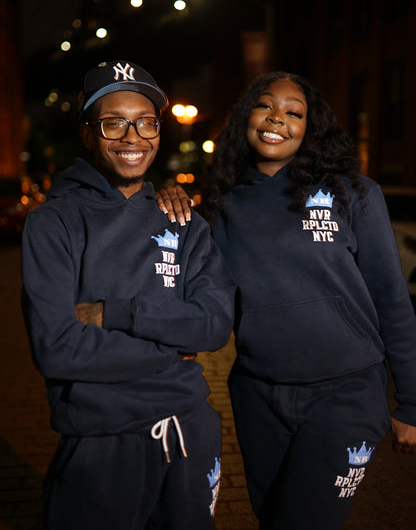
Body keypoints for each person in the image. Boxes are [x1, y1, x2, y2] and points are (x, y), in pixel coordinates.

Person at [157, 71, 416, 530]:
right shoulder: (221, 205)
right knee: (273, 517)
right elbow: (193, 291)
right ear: (245, 119)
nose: (278, 118)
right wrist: (163, 196)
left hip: (347, 394)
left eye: (294, 112)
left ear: (309, 127)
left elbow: (393, 299)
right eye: (265, 106)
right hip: (259, 394)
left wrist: (412, 403)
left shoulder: (353, 193)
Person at [21, 60, 235, 530]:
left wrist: (115, 315)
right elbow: (57, 348)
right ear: (87, 133)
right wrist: (172, 353)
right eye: (113, 122)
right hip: (101, 440)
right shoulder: (54, 223)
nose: (132, 136)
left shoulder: (185, 222)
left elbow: (215, 325)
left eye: (146, 122)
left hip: (188, 435)